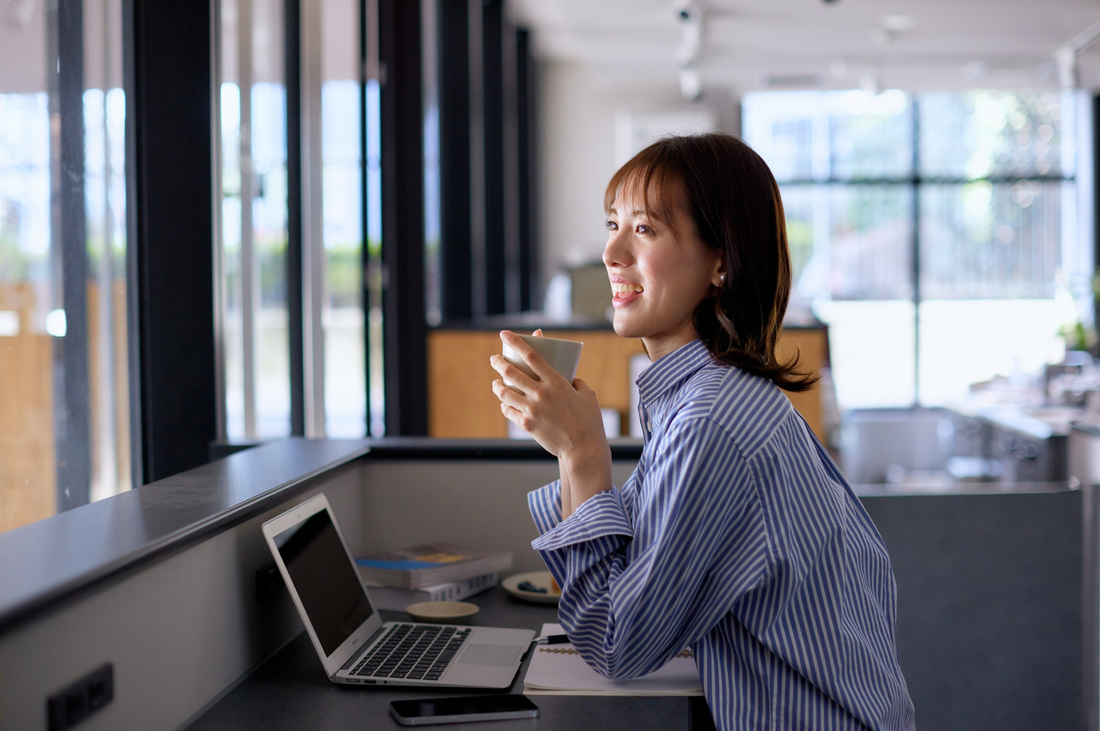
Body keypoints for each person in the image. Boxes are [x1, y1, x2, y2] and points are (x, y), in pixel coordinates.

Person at [489, 134, 914, 731]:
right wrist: (570, 443)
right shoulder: (708, 398)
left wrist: (581, 453)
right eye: (613, 224)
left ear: (721, 262)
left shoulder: (710, 421)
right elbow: (640, 569)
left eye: (645, 229)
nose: (611, 252)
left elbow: (617, 642)